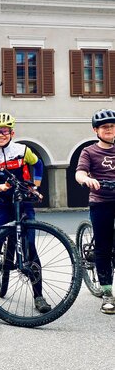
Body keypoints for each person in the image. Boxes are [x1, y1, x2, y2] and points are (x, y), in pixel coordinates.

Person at [0, 112, 51, 314]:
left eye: (4, 131)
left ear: (11, 132)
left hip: (23, 203)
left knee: (31, 247)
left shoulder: (22, 150)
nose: (0, 135)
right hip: (2, 205)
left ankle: (39, 296)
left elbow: (38, 164)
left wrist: (35, 186)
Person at [75, 108, 115, 314]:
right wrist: (87, 179)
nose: (109, 130)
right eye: (104, 127)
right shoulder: (89, 152)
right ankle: (107, 293)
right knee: (104, 248)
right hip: (101, 202)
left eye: (112, 126)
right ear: (96, 130)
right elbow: (80, 172)